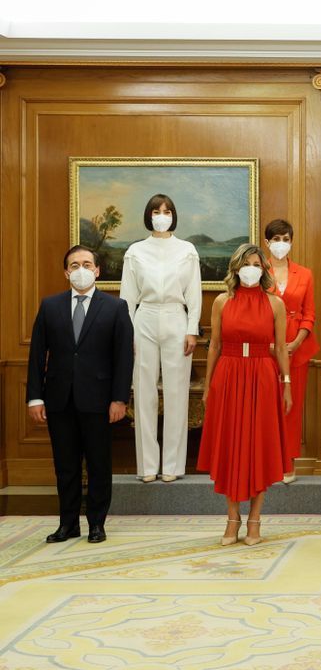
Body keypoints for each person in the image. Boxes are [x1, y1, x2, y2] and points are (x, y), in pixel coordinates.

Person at [27, 246, 134, 544]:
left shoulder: (116, 307)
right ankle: (68, 524)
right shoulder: (50, 306)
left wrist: (119, 399)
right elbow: (37, 354)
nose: (81, 269)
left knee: (99, 464)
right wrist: (35, 397)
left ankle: (97, 523)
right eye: (74, 265)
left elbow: (123, 357)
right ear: (66, 272)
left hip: (99, 400)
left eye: (87, 264)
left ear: (97, 271)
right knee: (66, 466)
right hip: (58, 399)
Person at [198, 244, 291, 546]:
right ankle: (232, 518)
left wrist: (287, 384)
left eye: (256, 264)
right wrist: (208, 385)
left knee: (259, 445)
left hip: (263, 375)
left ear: (264, 269)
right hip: (228, 373)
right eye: (245, 263)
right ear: (235, 268)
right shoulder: (222, 301)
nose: (251, 269)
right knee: (230, 444)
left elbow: (281, 348)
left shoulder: (275, 303)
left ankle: (255, 520)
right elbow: (214, 345)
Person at [119, 194, 202, 483]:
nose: (162, 216)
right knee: (144, 393)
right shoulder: (135, 251)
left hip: (176, 317)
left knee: (177, 392)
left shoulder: (187, 250)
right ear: (149, 215)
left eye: (167, 211)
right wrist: (128, 332)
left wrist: (192, 329)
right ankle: (147, 466)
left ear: (173, 215)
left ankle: (172, 466)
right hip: (145, 316)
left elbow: (194, 294)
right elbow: (127, 298)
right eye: (156, 211)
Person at [265, 219, 318, 484]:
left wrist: (296, 342)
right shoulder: (258, 271)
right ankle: (267, 462)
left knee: (291, 407)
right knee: (266, 406)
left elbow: (310, 314)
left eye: (286, 239)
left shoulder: (304, 274)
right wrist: (270, 343)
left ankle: (288, 462)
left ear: (292, 242)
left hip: (297, 348)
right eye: (276, 239)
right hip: (265, 349)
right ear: (267, 243)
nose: (281, 244)